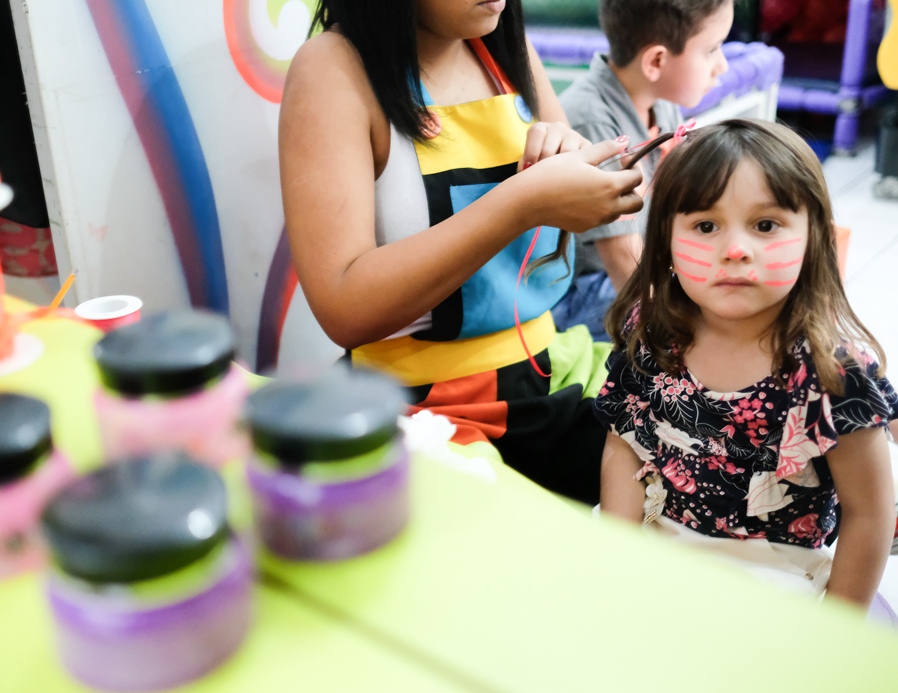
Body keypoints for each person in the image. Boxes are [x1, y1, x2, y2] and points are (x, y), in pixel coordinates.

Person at [279, 0, 644, 503]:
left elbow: (578, 179)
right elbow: (343, 305)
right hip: (420, 406)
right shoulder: (332, 68)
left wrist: (568, 153)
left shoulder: (503, 51)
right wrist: (518, 203)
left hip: (550, 367)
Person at [595, 119, 897, 611]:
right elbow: (624, 450)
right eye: (706, 226)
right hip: (658, 541)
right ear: (667, 240)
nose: (735, 250)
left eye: (765, 225)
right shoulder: (651, 333)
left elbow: (870, 512)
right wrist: (618, 567)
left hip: (774, 573)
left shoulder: (831, 371)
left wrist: (837, 635)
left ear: (812, 237)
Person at [554, 0, 733, 341]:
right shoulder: (592, 121)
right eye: (711, 49)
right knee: (715, 314)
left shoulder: (660, 101)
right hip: (584, 289)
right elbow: (623, 263)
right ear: (656, 61)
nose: (721, 65)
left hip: (640, 262)